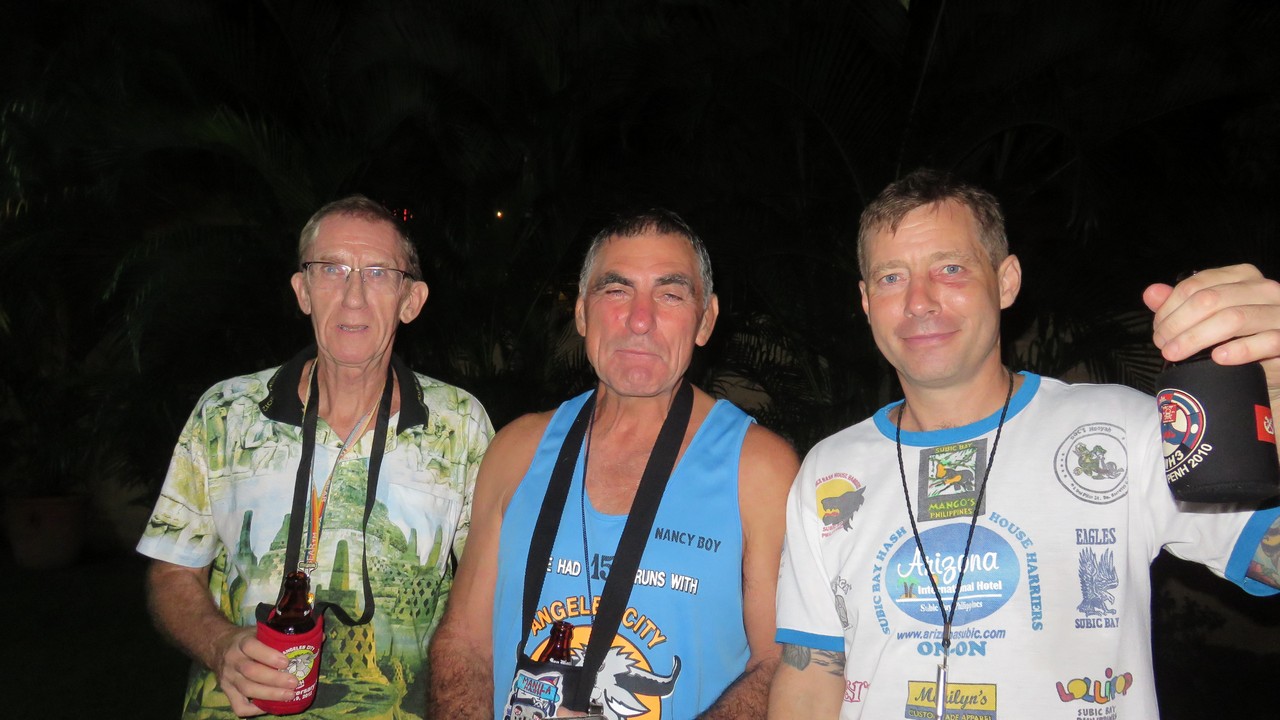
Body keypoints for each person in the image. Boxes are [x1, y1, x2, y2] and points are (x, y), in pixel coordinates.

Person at [768, 169, 1280, 719]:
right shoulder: (830, 470)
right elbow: (809, 678)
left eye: (950, 268)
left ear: (1006, 281)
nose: (919, 301)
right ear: (867, 301)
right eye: (891, 277)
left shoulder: (1121, 429)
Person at [428, 210, 799, 719]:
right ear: (582, 313)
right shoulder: (516, 450)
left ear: (706, 320)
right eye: (617, 290)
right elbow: (464, 641)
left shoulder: (759, 468)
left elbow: (782, 662)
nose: (640, 319)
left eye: (670, 295)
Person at [138, 196, 493, 718]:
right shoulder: (226, 412)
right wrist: (218, 644)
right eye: (331, 269)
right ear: (303, 291)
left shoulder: (460, 425)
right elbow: (172, 571)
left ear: (411, 300)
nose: (353, 297)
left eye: (378, 273)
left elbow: (489, 592)